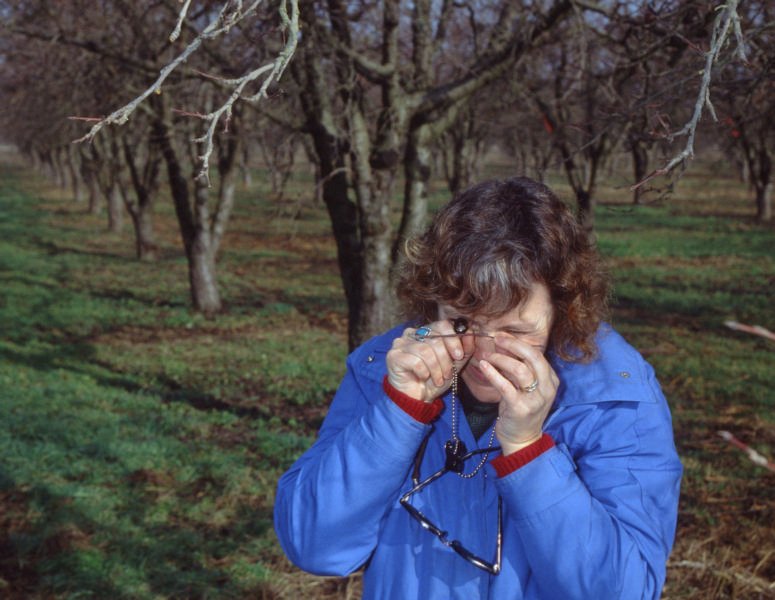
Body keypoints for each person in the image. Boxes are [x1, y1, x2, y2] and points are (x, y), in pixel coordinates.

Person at [274, 177, 682, 599]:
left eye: (516, 332)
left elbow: (623, 591)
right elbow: (313, 546)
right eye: (462, 323)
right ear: (432, 302)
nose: (484, 357)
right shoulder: (383, 369)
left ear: (563, 311)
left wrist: (528, 452)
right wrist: (397, 411)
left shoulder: (615, 399)